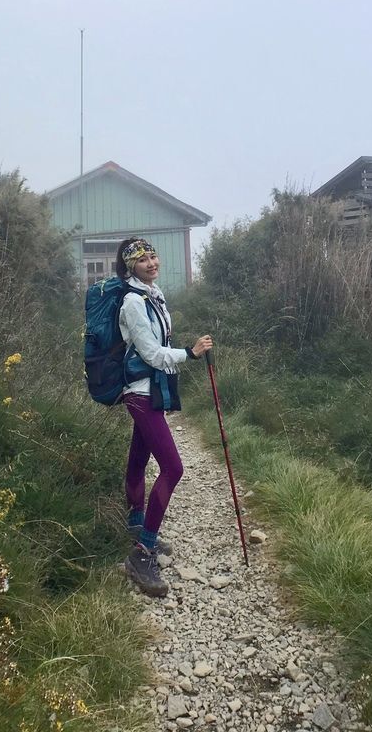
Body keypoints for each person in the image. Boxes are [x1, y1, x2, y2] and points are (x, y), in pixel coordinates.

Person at [116, 236, 213, 598]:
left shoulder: (153, 295)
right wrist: (190, 353)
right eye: (142, 260)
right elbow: (152, 353)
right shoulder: (132, 302)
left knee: (139, 457)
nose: (151, 263)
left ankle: (137, 524)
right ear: (131, 267)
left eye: (153, 256)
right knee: (173, 468)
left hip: (150, 390)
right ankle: (142, 553)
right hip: (140, 392)